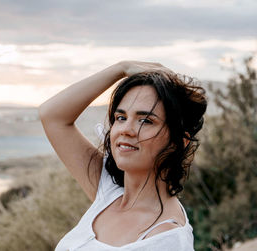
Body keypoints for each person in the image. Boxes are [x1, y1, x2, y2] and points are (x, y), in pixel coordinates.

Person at [38, 61, 207, 251]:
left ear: (178, 142)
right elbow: (52, 116)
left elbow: (52, 117)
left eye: (146, 120)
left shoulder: (166, 239)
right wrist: (120, 69)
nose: (126, 129)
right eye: (121, 117)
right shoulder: (109, 191)